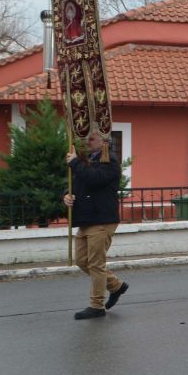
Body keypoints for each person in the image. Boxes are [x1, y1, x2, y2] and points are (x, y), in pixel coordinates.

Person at [63, 132, 128, 320]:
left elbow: (94, 179)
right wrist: (67, 195)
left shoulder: (110, 160)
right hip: (86, 219)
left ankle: (96, 306)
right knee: (82, 261)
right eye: (85, 139)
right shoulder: (88, 160)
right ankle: (116, 285)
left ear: (103, 141)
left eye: (91, 138)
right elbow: (77, 183)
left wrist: (75, 162)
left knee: (96, 264)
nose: (86, 142)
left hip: (102, 219)